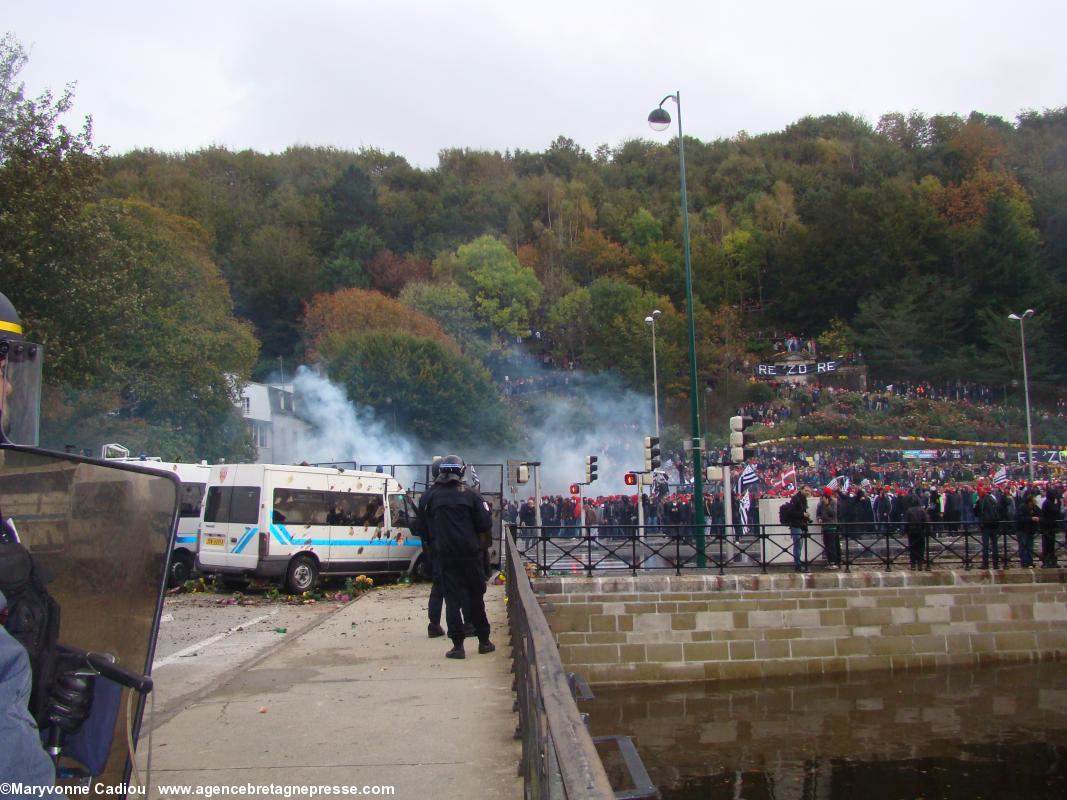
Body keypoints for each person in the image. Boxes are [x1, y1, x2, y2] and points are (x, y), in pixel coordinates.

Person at [420, 454, 494, 659]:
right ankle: (484, 641)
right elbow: (485, 525)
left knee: (452, 600)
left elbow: (422, 528)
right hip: (471, 555)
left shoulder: (430, 496)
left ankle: (458, 647)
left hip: (444, 556)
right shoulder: (471, 495)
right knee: (476, 598)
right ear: (461, 472)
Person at [780, 487, 811, 572]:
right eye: (806, 490)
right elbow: (791, 512)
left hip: (801, 525)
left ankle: (799, 565)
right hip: (796, 525)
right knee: (797, 546)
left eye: (808, 491)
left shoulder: (803, 499)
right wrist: (803, 514)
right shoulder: (795, 499)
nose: (807, 492)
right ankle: (798, 566)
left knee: (799, 547)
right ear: (801, 490)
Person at [975, 486, 1003, 569]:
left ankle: (985, 563)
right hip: (994, 524)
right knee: (994, 544)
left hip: (986, 524)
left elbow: (976, 512)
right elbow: (999, 509)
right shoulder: (993, 499)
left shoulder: (981, 500)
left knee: (986, 545)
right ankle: (995, 564)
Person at [816, 487, 840, 569]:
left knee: (831, 544)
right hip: (824, 526)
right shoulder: (820, 503)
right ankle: (829, 561)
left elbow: (833, 514)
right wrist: (819, 518)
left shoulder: (833, 502)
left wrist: (827, 505)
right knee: (826, 544)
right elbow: (818, 513)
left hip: (832, 525)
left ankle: (833, 561)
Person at [1015, 491, 1041, 569]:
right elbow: (1019, 518)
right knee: (1023, 546)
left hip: (1031, 530)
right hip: (1022, 529)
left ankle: (1030, 562)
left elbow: (1040, 514)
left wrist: (1038, 518)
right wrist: (1031, 518)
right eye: (1034, 499)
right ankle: (1025, 562)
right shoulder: (1022, 507)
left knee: (1030, 547)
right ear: (1030, 501)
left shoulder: (1035, 507)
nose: (1035, 501)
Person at [903, 497, 929, 570]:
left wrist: (904, 531)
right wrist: (928, 531)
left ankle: (913, 564)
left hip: (911, 532)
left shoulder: (909, 511)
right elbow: (926, 521)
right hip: (921, 531)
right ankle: (920, 564)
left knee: (912, 548)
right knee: (921, 548)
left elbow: (906, 522)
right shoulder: (922, 510)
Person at [1040, 488, 1062, 568]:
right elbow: (1056, 511)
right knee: (1047, 545)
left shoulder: (1049, 502)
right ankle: (1047, 561)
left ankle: (1051, 560)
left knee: (1051, 545)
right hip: (1047, 526)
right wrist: (1057, 503)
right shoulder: (1048, 503)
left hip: (1050, 526)